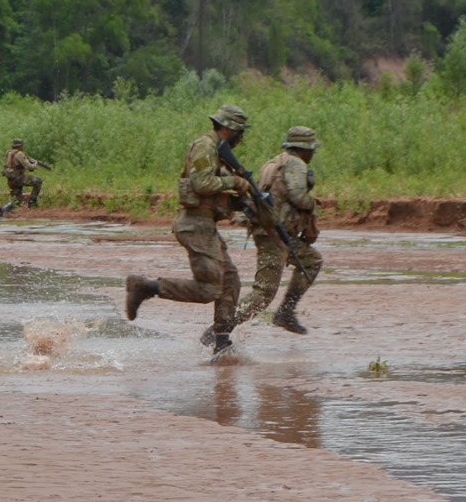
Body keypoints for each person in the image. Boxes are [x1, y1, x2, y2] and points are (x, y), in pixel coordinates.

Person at [123, 105, 253, 354]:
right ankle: (146, 287)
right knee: (209, 289)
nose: (241, 138)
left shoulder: (218, 152)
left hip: (204, 226)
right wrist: (235, 181)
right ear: (227, 129)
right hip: (195, 226)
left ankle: (222, 343)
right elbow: (201, 183)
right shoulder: (206, 146)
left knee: (230, 281)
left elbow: (214, 192)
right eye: (239, 132)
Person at [235, 125, 325, 334]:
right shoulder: (296, 164)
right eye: (312, 149)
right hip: (274, 234)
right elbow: (298, 197)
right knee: (264, 292)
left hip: (275, 231)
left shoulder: (274, 162)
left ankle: (286, 312)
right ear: (305, 149)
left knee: (311, 261)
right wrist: (313, 204)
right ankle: (220, 329)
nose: (312, 153)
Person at [0, 140, 49, 217]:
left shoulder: (9, 153)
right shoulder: (19, 154)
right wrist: (35, 164)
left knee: (16, 201)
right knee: (38, 181)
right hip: (18, 178)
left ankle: (2, 209)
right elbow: (28, 166)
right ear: (20, 146)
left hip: (11, 179)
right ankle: (32, 202)